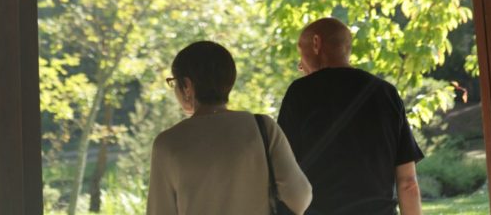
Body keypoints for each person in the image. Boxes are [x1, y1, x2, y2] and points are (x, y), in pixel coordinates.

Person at [147, 40, 312, 215]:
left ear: (187, 85)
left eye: (174, 82)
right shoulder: (262, 127)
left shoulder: (168, 143)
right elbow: (299, 197)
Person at [278, 17, 424, 215]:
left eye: (300, 52)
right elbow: (408, 183)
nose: (300, 65)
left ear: (316, 43)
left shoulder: (300, 93)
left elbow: (283, 172)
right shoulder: (386, 93)